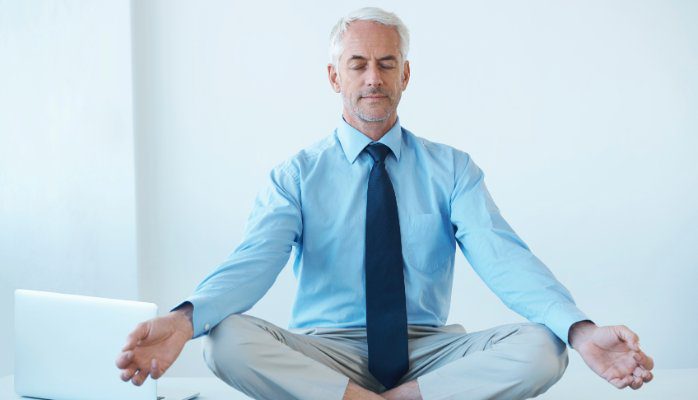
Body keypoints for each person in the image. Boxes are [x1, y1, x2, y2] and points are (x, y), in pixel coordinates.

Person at [115, 7, 654, 400]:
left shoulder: (453, 169)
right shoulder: (295, 176)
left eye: (387, 63)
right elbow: (253, 262)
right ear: (335, 77)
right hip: (327, 352)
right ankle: (354, 398)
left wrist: (581, 332)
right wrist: (187, 320)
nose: (373, 78)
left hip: (428, 353)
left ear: (405, 75)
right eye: (357, 64)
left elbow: (503, 257)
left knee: (544, 346)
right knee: (225, 340)